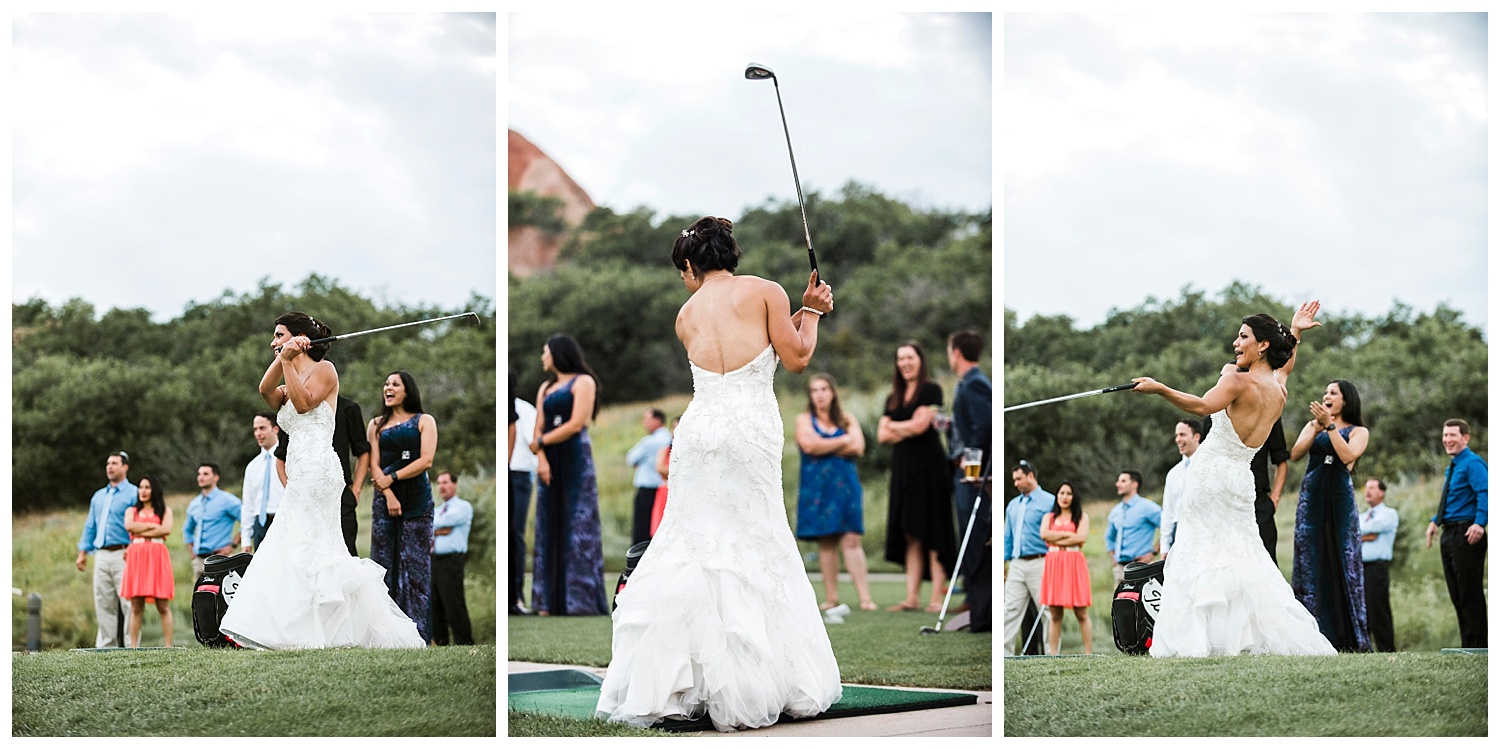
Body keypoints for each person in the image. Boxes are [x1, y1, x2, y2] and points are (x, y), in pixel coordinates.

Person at [596, 216, 840, 731]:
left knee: (693, 544)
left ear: (690, 265)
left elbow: (736, 352)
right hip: (750, 427)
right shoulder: (766, 291)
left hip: (699, 431)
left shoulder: (685, 315)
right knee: (754, 537)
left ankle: (683, 680)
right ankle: (768, 677)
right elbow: (793, 356)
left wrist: (798, 312)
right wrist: (812, 313)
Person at [1131, 301, 1336, 656]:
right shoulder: (1278, 390)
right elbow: (1284, 369)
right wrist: (1296, 332)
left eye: (1243, 337)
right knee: (1243, 554)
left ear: (1263, 345)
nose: (1235, 343)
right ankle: (1239, 639)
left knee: (1201, 551)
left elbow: (1202, 406)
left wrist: (1160, 388)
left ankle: (1203, 640)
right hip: (1240, 479)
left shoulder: (1237, 381)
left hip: (1210, 477)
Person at [218, 311, 423, 649]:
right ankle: (302, 629)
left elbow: (302, 405)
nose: (273, 342)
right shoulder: (291, 374)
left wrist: (288, 361)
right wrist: (285, 358)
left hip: (318, 469)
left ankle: (313, 631)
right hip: (300, 471)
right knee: (300, 544)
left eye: (279, 335)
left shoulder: (324, 371)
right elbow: (265, 390)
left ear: (300, 339)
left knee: (308, 544)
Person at [1289, 379, 1372, 652]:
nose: (1326, 396)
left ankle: (1349, 636)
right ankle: (1312, 634)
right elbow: (1296, 454)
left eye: (1333, 393)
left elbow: (1348, 456)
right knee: (1310, 559)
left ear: (1345, 400)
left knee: (1343, 557)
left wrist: (1331, 427)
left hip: (1340, 500)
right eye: (1325, 392)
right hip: (1311, 499)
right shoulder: (1312, 425)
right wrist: (1315, 428)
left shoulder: (1359, 431)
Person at [529, 333, 609, 616]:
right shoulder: (546, 388)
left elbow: (577, 423)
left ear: (558, 354)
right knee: (548, 522)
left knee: (578, 522)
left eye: (545, 352)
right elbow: (537, 427)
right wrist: (541, 458)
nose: (542, 357)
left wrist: (541, 443)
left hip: (574, 456)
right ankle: (547, 601)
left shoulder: (583, 381)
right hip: (549, 459)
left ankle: (580, 600)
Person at [878, 341, 959, 613]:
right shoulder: (894, 397)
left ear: (920, 360)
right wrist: (907, 426)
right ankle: (911, 597)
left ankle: (936, 598)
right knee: (911, 532)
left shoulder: (931, 389)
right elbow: (882, 435)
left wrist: (896, 426)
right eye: (900, 358)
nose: (905, 363)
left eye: (909, 357)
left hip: (929, 468)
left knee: (934, 530)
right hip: (903, 470)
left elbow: (920, 426)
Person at [366, 370, 439, 642]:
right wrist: (388, 493)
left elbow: (426, 460)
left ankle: (418, 633)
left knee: (415, 565)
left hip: (417, 498)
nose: (388, 388)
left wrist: (393, 477)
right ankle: (385, 634)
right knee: (384, 561)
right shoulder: (375, 424)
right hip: (385, 500)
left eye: (395, 384)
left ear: (407, 390)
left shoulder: (424, 421)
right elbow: (374, 463)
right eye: (386, 384)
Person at [794, 373, 873, 612]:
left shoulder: (847, 419)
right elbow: (809, 445)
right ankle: (831, 598)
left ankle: (865, 598)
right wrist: (842, 442)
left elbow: (858, 447)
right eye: (814, 390)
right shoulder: (804, 420)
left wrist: (824, 445)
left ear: (833, 392)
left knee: (851, 539)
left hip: (846, 487)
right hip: (818, 489)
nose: (819, 395)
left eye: (824, 389)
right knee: (826, 540)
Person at [1424, 418, 1487, 648]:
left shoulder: (1472, 463)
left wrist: (1480, 523)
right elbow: (1453, 500)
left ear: (1465, 438)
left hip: (1467, 532)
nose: (1447, 440)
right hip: (1449, 533)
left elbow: (1486, 492)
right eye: (1445, 435)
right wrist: (1435, 521)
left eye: (1452, 435)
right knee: (1457, 593)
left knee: (1470, 592)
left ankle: (1479, 646)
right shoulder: (1454, 466)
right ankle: (1468, 645)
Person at [947, 329, 993, 630]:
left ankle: (981, 616)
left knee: (975, 539)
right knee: (970, 537)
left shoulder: (975, 384)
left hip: (972, 478)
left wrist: (971, 464)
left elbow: (983, 426)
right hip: (966, 473)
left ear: (957, 352)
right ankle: (977, 610)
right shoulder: (969, 383)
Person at [75, 451, 138, 648]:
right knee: (103, 601)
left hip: (125, 553)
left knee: (129, 601)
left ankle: (132, 645)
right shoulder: (98, 496)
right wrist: (82, 552)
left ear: (125, 467)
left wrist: (134, 546)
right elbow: (90, 525)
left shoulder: (134, 493)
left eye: (114, 463)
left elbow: (140, 522)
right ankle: (106, 647)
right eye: (108, 464)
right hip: (101, 554)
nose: (110, 467)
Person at [1003, 461, 1053, 656]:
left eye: (1018, 479)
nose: (1015, 483)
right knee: (1009, 610)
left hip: (1041, 561)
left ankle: (1052, 654)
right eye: (1014, 479)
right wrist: (1003, 563)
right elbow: (1008, 536)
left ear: (1030, 476)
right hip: (1017, 564)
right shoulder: (1013, 505)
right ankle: (1004, 655)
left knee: (1047, 610)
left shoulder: (1050, 501)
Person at [120, 475, 174, 648]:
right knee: (136, 605)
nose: (143, 491)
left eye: (147, 487)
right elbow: (129, 526)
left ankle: (168, 646)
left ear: (154, 490)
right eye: (141, 487)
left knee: (162, 603)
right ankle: (133, 646)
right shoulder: (131, 511)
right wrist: (153, 527)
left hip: (157, 556)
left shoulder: (165, 510)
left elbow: (166, 529)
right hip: (137, 557)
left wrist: (141, 529)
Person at [1039, 481, 1092, 655]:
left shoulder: (1082, 517)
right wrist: (1067, 534)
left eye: (1069, 493)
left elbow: (1080, 538)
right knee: (1054, 613)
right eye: (1061, 493)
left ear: (1074, 496)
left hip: (1073, 562)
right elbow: (1044, 534)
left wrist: (1057, 538)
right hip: (1054, 562)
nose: (1065, 497)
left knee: (1081, 612)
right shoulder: (1049, 517)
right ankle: (1053, 654)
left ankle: (1088, 653)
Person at [430, 470, 474, 646]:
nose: (442, 486)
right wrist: (438, 529)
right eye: (439, 483)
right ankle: (442, 644)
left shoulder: (463, 507)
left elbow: (439, 523)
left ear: (454, 484)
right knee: (435, 605)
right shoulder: (437, 510)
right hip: (433, 561)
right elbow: (427, 526)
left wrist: (436, 528)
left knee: (454, 604)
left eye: (445, 482)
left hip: (451, 561)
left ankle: (465, 644)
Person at [182, 463, 242, 580]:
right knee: (200, 597)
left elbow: (247, 522)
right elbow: (187, 529)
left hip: (220, 560)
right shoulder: (194, 503)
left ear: (216, 477)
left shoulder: (228, 500)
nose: (201, 477)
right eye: (199, 474)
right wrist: (191, 550)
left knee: (222, 596)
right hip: (199, 562)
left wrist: (233, 545)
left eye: (205, 474)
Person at [1358, 478, 1398, 652]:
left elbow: (1369, 528)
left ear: (1382, 492)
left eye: (1373, 488)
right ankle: (1364, 648)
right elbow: (1354, 530)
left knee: (1378, 609)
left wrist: (1360, 534)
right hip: (1359, 569)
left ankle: (1386, 649)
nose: (1368, 491)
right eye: (1366, 488)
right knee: (1362, 609)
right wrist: (1366, 535)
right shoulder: (1360, 516)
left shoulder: (1388, 514)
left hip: (1377, 568)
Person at [509, 377, 538, 615]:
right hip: (509, 473)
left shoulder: (525, 409)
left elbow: (533, 442)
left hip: (519, 474)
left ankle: (516, 596)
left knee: (516, 533)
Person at [625, 408, 673, 546]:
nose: (645, 423)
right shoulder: (669, 438)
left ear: (658, 420)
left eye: (647, 420)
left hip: (647, 489)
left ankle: (637, 561)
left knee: (642, 528)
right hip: (663, 489)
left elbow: (630, 459)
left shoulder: (649, 441)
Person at [1105, 471, 1161, 586]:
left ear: (1134, 484)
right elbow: (1109, 537)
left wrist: (1153, 552)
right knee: (1120, 603)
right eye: (1118, 481)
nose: (1117, 484)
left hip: (1141, 568)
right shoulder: (1116, 511)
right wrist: (1113, 558)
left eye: (1123, 481)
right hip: (1120, 569)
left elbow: (1168, 528)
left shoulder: (1148, 507)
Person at [1160, 419, 1204, 558]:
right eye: (1176, 435)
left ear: (1196, 436)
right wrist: (1165, 546)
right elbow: (1168, 511)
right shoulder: (1173, 473)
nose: (1178, 439)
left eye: (1182, 434)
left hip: (1204, 530)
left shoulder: (1209, 466)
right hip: (1178, 533)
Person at [242, 412, 285, 553]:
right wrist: (246, 539)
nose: (258, 433)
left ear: (275, 429)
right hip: (260, 525)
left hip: (283, 522)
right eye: (255, 429)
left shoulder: (288, 460)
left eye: (262, 428)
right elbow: (248, 504)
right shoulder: (252, 466)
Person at [1252, 417, 1291, 561]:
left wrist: (1274, 498)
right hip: (1224, 503)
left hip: (1258, 502)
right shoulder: (1216, 410)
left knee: (1265, 562)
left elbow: (1281, 460)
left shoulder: (1270, 411)